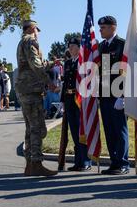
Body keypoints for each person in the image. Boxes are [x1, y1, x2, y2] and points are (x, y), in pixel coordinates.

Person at [16, 20, 58, 177]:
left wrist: (53, 62)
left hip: (24, 89)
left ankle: (29, 165)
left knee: (30, 128)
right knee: (37, 128)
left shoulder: (22, 43)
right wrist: (49, 82)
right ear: (33, 29)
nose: (38, 34)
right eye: (37, 30)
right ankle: (36, 164)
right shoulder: (31, 41)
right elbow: (35, 65)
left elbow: (34, 63)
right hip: (32, 89)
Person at [98, 16, 130, 176]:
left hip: (118, 95)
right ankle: (114, 161)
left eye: (103, 27)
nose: (100, 30)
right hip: (104, 95)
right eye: (100, 27)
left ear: (113, 28)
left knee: (120, 129)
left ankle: (123, 163)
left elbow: (128, 72)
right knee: (109, 130)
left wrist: (123, 95)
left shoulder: (123, 45)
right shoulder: (101, 47)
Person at [61, 37, 92, 172]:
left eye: (73, 46)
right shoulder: (67, 63)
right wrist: (62, 100)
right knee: (74, 130)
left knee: (82, 130)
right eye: (69, 46)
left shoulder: (84, 62)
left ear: (80, 48)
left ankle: (86, 160)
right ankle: (78, 161)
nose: (71, 49)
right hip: (68, 98)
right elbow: (65, 82)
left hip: (80, 99)